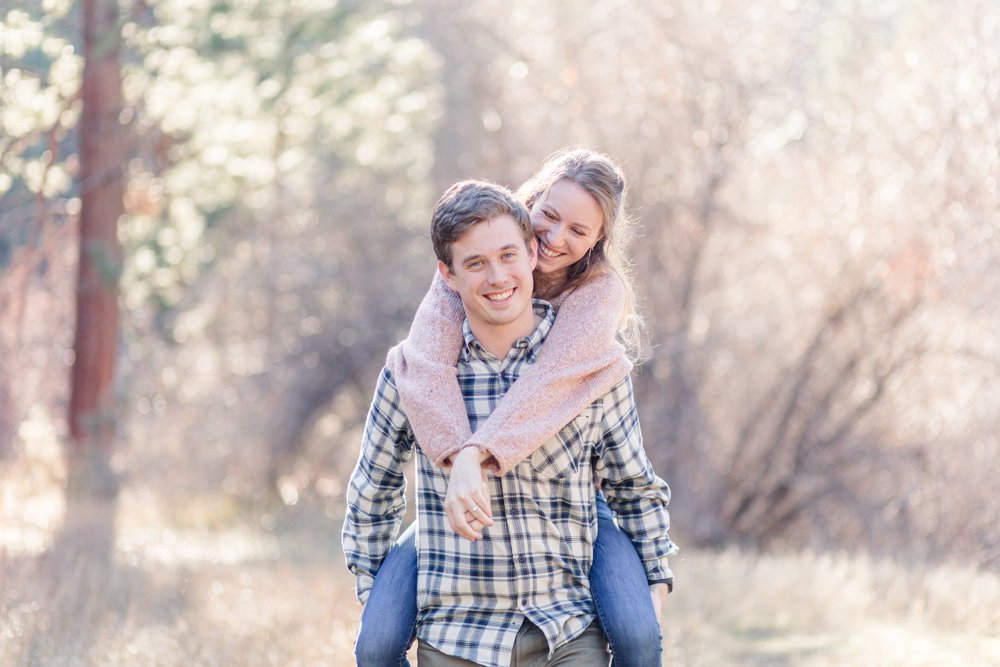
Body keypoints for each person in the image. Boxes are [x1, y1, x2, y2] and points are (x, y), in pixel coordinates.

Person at [354, 149, 675, 666]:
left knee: (640, 636)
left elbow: (550, 387)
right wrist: (457, 463)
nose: (555, 238)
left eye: (578, 230)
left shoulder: (596, 295)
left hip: (570, 508)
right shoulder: (472, 256)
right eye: (549, 216)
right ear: (531, 208)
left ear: (597, 242)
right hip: (454, 510)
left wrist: (474, 454)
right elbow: (425, 372)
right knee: (373, 644)